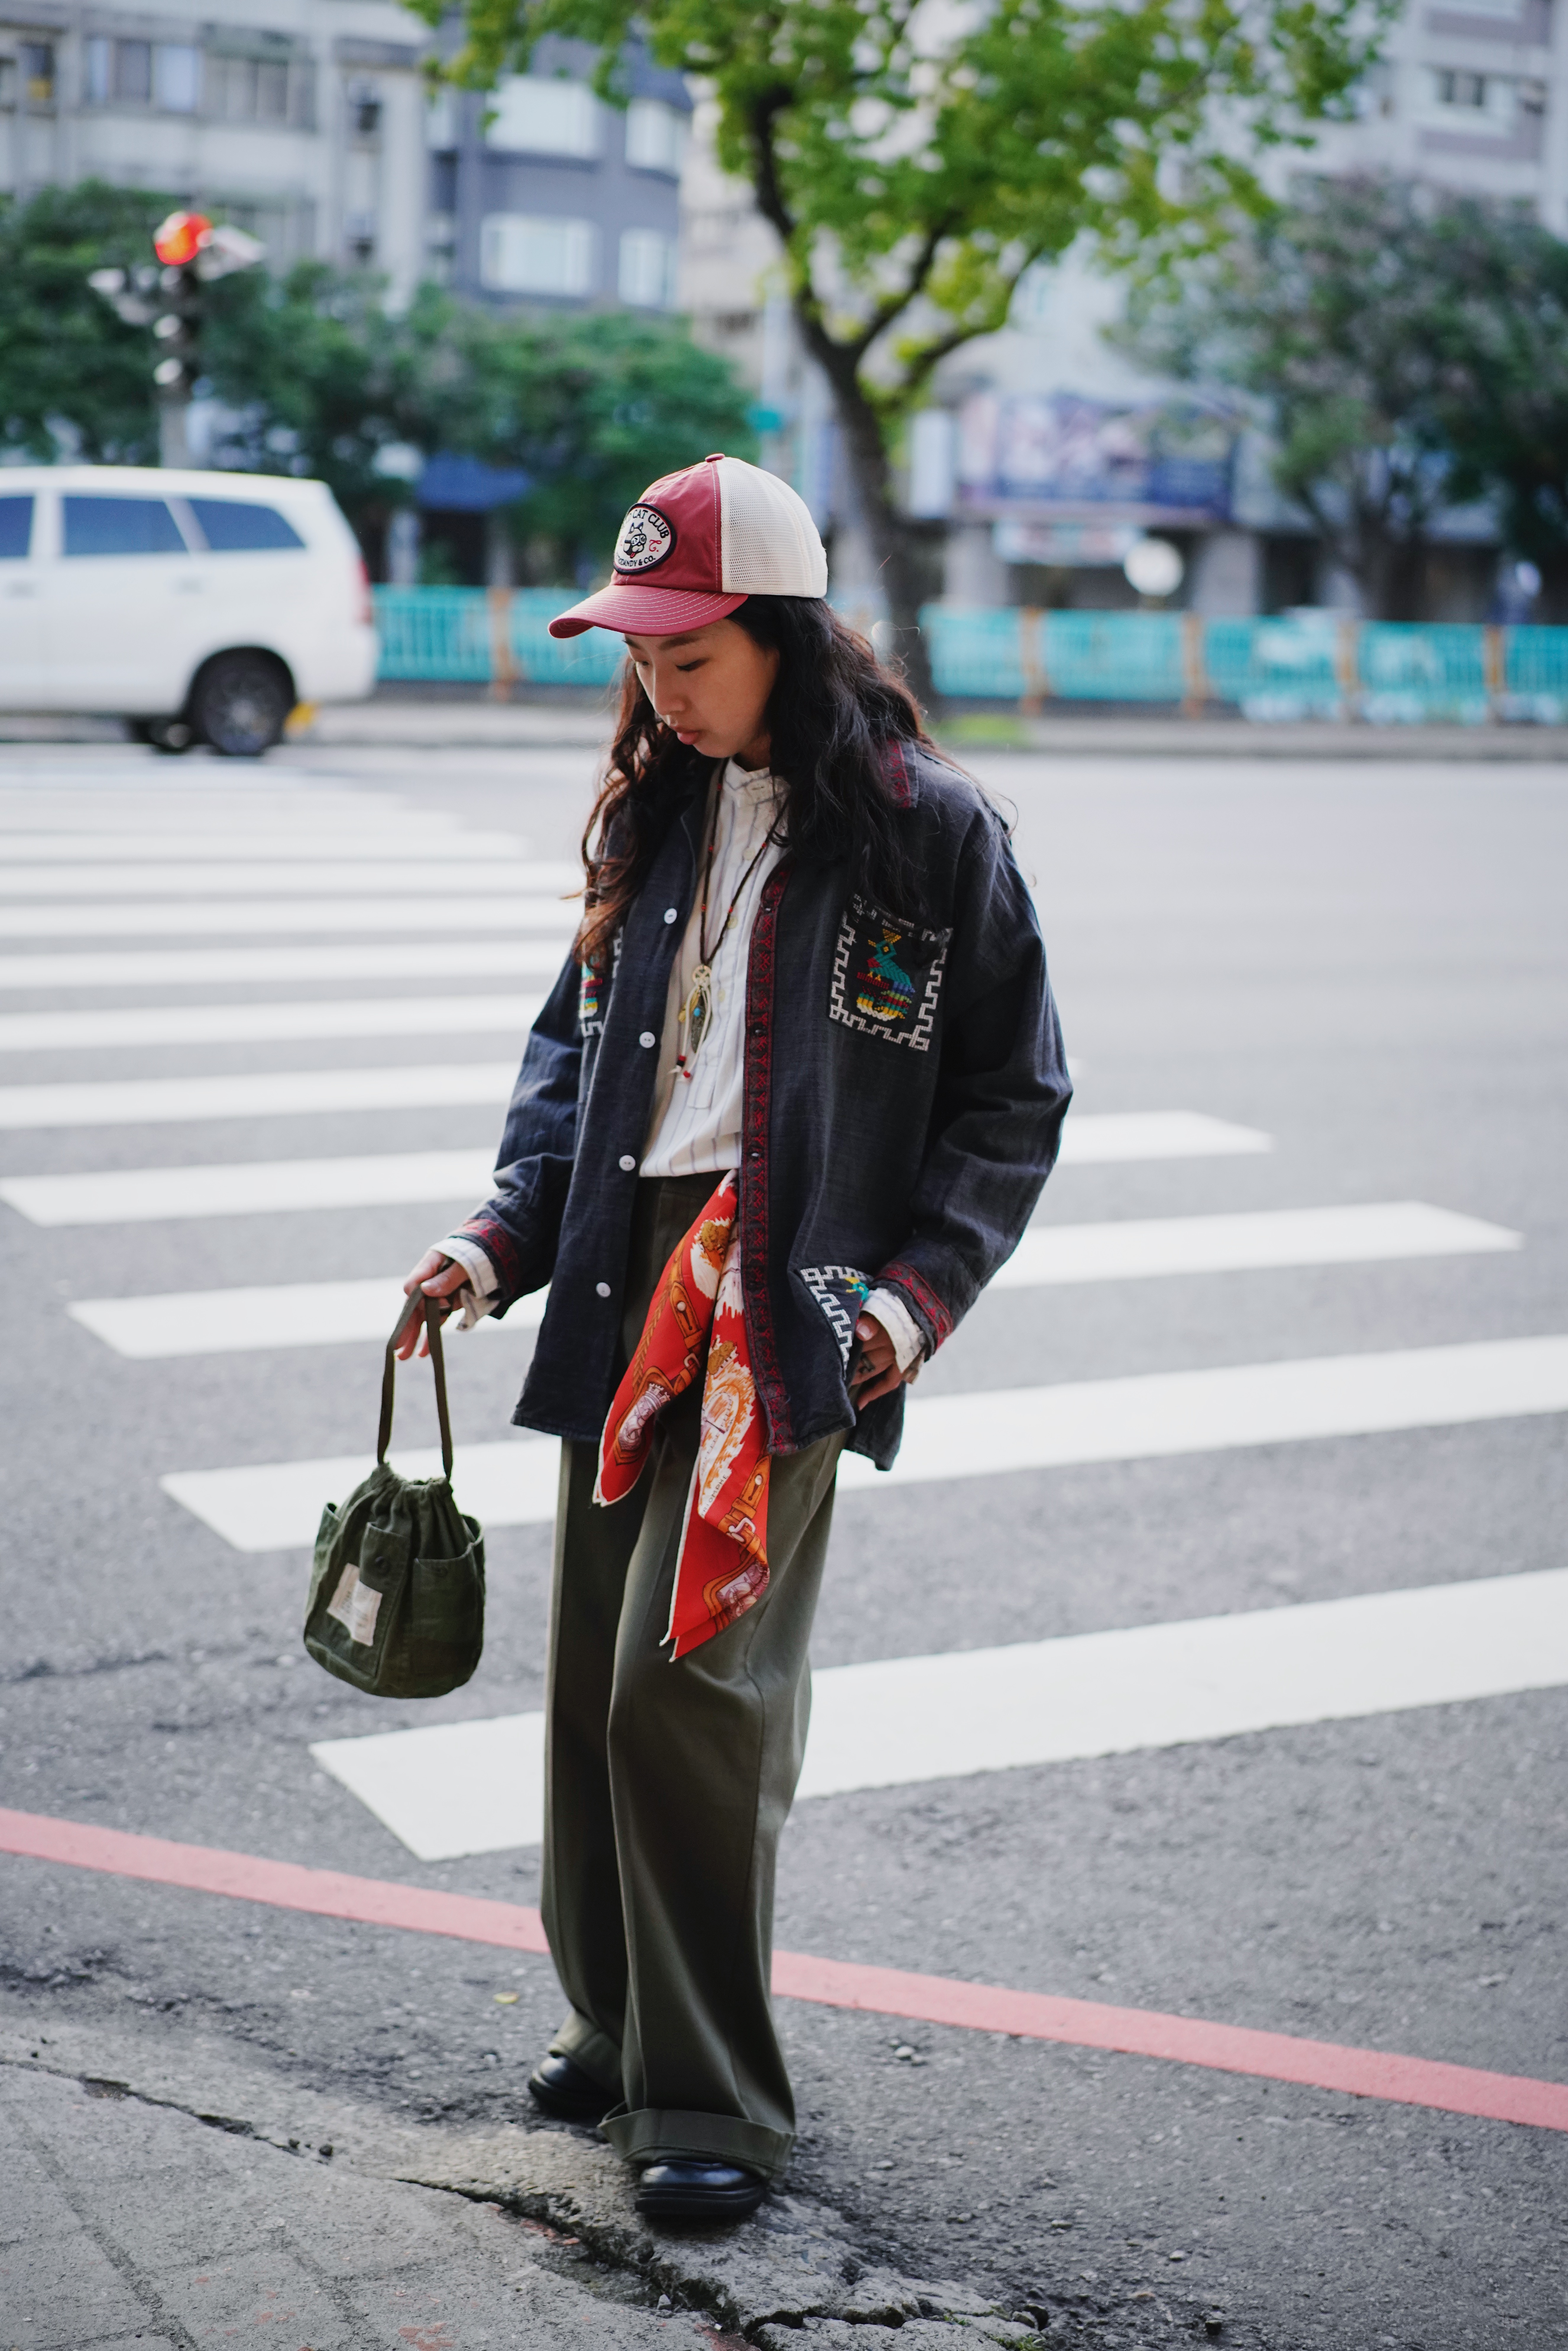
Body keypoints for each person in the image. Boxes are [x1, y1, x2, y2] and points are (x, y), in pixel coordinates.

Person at [399, 452, 1072, 2225]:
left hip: (786, 1315)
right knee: (585, 1705)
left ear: (783, 635)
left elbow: (1015, 1099)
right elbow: (573, 1062)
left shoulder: (929, 832)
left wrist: (910, 1307)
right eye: (635, 655)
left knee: (682, 1693)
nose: (654, 688)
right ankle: (617, 2028)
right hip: (626, 1282)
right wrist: (492, 1239)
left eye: (686, 656)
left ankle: (715, 2096)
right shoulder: (659, 812)